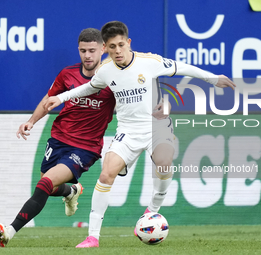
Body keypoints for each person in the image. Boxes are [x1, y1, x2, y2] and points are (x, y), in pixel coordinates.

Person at [44, 21, 236, 248]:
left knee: (164, 163)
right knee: (106, 174)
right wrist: (62, 97)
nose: (117, 51)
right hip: (127, 131)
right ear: (105, 47)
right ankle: (93, 237)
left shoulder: (150, 62)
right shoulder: (105, 70)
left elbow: (182, 68)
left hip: (156, 126)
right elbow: (88, 88)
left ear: (129, 43)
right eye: (112, 47)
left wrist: (212, 78)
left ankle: (152, 211)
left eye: (121, 45)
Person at [0, 28, 117, 247]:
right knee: (48, 186)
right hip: (59, 139)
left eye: (92, 50)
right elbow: (49, 99)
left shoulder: (114, 79)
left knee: (45, 182)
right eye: (82, 51)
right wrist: (31, 121)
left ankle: (10, 231)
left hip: (85, 148)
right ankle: (72, 191)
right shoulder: (67, 73)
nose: (87, 56)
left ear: (103, 49)